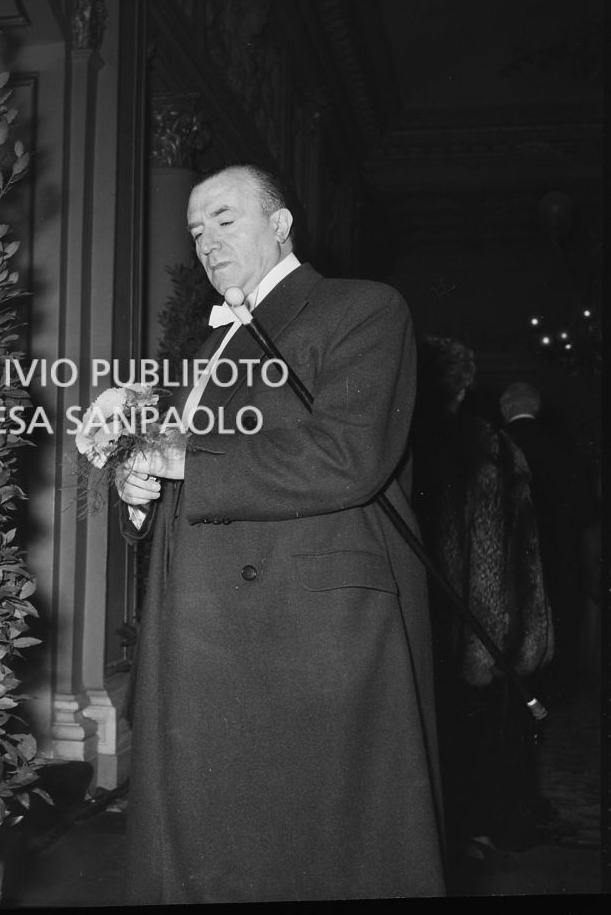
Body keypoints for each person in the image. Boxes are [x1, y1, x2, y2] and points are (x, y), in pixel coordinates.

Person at [114, 164, 445, 902]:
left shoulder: (360, 309)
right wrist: (138, 493)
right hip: (195, 629)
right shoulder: (207, 350)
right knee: (203, 853)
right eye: (195, 231)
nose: (205, 241)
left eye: (224, 220)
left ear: (281, 224)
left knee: (312, 853)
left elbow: (347, 456)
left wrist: (180, 459)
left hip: (308, 633)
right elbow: (189, 472)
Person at [411, 342, 554, 867]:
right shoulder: (491, 444)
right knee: (483, 737)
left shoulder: (400, 441)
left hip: (421, 627)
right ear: (465, 388)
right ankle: (479, 832)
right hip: (483, 630)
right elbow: (518, 551)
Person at [499, 381, 588, 697]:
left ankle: (522, 688)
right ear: (535, 407)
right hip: (560, 549)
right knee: (561, 616)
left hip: (514, 552)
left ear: (505, 408)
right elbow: (585, 503)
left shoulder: (498, 443)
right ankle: (560, 686)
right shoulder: (564, 444)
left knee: (518, 620)